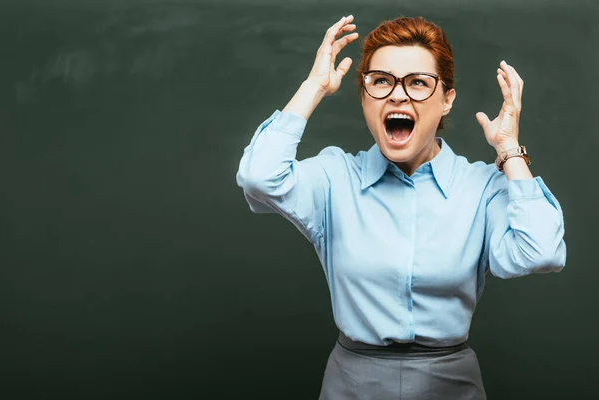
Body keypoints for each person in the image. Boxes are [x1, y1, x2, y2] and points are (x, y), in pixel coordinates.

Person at [236, 14, 566, 400]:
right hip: (351, 384)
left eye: (418, 83)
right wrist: (314, 87)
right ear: (363, 96)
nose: (397, 95)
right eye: (380, 81)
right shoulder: (335, 177)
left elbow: (541, 252)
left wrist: (509, 148)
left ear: (447, 100)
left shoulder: (481, 187)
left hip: (452, 384)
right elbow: (259, 177)